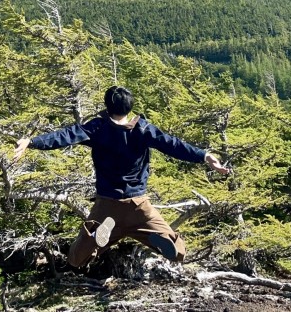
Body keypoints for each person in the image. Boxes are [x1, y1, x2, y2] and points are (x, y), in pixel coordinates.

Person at [13, 86, 230, 268]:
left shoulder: (97, 128)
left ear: (107, 107)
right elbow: (174, 145)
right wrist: (205, 156)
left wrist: (32, 142)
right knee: (177, 252)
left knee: (77, 259)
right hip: (139, 206)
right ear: (130, 107)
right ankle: (157, 239)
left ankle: (99, 240)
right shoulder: (143, 129)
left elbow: (64, 136)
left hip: (107, 205)